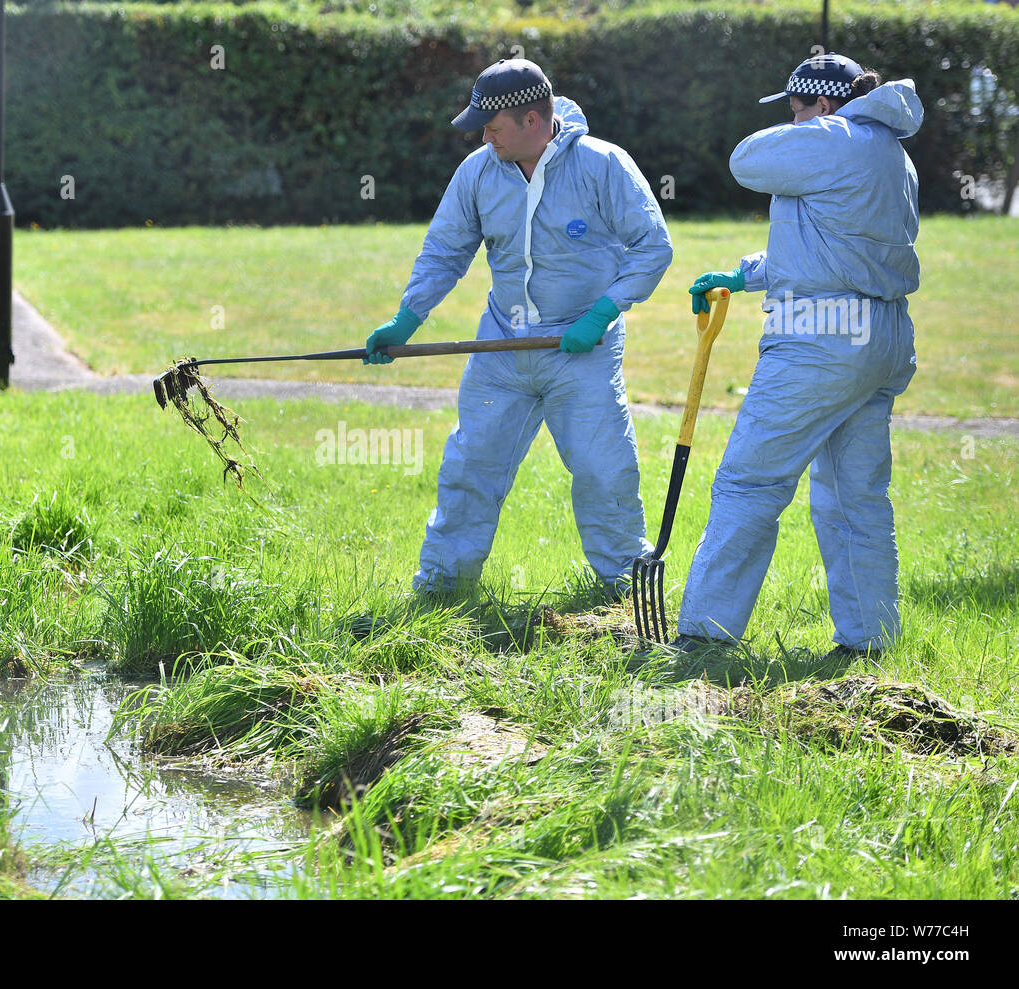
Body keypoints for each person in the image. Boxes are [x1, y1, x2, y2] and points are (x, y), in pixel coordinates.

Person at [364, 58, 673, 595]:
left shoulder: (603, 165)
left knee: (604, 470)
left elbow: (653, 248)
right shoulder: (479, 171)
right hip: (501, 345)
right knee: (469, 469)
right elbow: (444, 251)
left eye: (492, 126)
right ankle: (442, 588)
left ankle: (624, 588)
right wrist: (406, 319)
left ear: (532, 120)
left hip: (583, 348)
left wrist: (603, 312)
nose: (484, 136)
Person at [672, 54, 923, 660]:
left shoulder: (836, 137)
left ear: (825, 105)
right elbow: (832, 248)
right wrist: (747, 273)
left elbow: (745, 160)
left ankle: (705, 634)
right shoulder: (891, 153)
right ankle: (869, 642)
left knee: (750, 482)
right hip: (880, 335)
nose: (793, 122)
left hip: (820, 341)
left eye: (796, 110)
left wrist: (814, 125)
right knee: (852, 497)